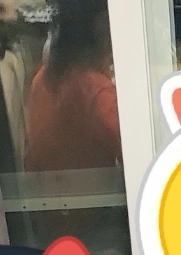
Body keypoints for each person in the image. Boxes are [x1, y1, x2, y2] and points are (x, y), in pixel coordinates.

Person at [25, 0, 120, 173]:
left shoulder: (42, 78)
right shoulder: (96, 92)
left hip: (49, 188)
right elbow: (141, 157)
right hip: (93, 190)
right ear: (103, 30)